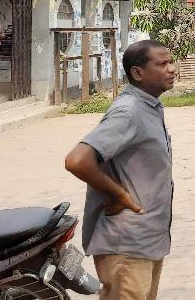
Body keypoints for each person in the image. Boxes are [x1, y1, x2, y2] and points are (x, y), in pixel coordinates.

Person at [64, 40, 178, 300]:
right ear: (138, 73)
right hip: (127, 245)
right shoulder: (129, 110)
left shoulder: (148, 106)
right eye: (162, 64)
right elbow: (77, 160)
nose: (172, 69)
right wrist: (117, 194)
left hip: (147, 240)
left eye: (172, 62)